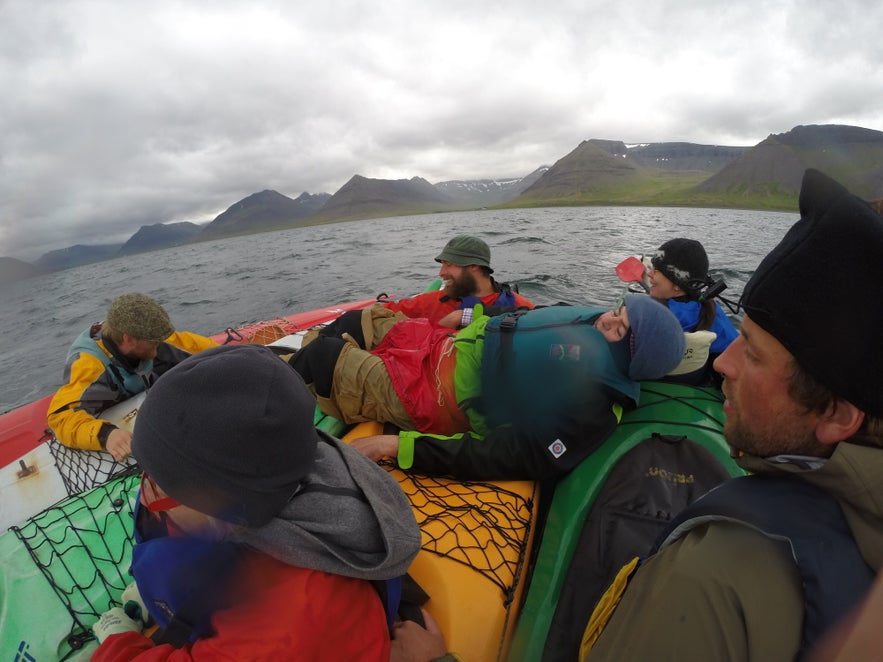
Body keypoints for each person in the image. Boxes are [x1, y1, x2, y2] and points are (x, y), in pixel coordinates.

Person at [580, 169, 883, 660]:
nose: (724, 363)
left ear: (838, 414)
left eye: (756, 354)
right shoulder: (710, 320)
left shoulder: (705, 576)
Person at [91, 344, 438, 660]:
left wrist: (117, 642)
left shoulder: (289, 625)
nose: (146, 491)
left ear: (226, 508)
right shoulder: (285, 467)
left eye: (160, 484)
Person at [289, 294, 686, 481]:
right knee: (359, 319)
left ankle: (274, 424)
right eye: (617, 312)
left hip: (430, 394)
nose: (608, 323)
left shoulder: (595, 404)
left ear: (634, 361)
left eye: (621, 331)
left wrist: (397, 445)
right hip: (438, 345)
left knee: (319, 358)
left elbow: (516, 455)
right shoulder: (589, 321)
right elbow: (519, 320)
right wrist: (468, 314)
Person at [47, 293, 218, 461]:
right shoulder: (90, 366)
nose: (160, 342)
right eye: (153, 339)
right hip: (112, 413)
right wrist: (106, 435)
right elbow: (61, 418)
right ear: (129, 339)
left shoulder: (154, 338)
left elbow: (204, 349)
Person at [311, 236, 535, 347]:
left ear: (473, 267)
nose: (441, 272)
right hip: (429, 379)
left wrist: (462, 316)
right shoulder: (435, 300)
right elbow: (388, 311)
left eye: (448, 265)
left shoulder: (517, 304)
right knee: (353, 320)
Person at [646, 237, 739, 356]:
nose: (649, 273)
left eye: (656, 270)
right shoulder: (709, 305)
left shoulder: (665, 314)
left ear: (678, 286)